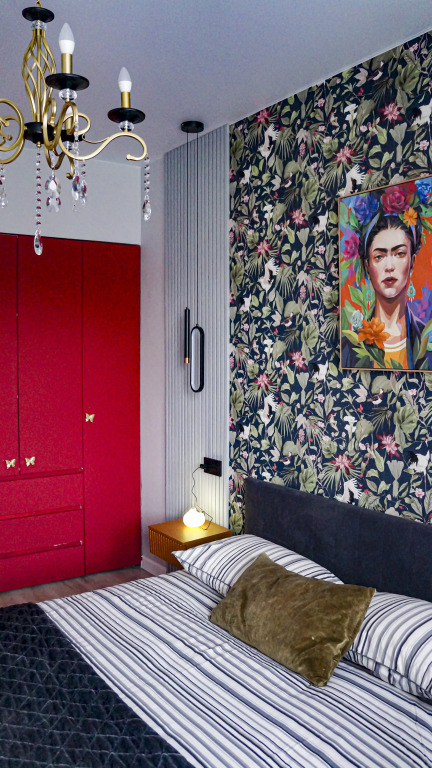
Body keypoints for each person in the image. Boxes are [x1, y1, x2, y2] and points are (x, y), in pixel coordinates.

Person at [341, 212, 431, 369]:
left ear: (412, 262)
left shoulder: (427, 342)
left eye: (399, 254)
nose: (389, 266)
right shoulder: (348, 348)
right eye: (379, 256)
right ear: (367, 267)